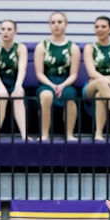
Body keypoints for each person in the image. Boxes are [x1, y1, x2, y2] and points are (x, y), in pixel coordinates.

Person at [34, 11, 80, 142]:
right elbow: (39, 73)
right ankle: (44, 134)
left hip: (66, 82)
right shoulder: (41, 46)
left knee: (70, 95)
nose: (56, 25)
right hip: (47, 82)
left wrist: (62, 85)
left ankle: (70, 134)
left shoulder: (73, 47)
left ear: (66, 25)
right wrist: (52, 85)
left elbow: (74, 74)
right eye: (53, 22)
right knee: (46, 95)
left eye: (59, 22)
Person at [82, 16, 110, 141]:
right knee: (100, 83)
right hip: (91, 86)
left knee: (100, 95)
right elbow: (92, 72)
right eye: (97, 27)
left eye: (103, 26)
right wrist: (109, 82)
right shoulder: (89, 48)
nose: (99, 29)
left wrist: (107, 83)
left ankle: (98, 133)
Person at [0, 19, 28, 142]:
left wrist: (18, 86)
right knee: (1, 96)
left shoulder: (21, 48)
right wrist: (1, 88)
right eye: (3, 29)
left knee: (18, 96)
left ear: (15, 32)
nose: (6, 32)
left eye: (9, 29)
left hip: (14, 81)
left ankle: (24, 134)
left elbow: (22, 69)